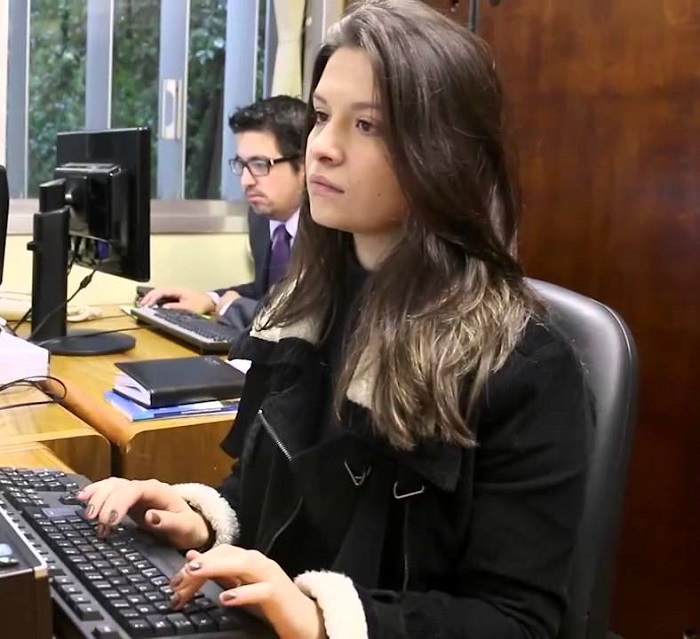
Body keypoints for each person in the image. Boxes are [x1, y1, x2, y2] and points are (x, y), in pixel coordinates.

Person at [79, 1, 594, 637]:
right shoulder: (302, 309)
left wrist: (325, 621)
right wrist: (201, 518)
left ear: (445, 153)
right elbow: (275, 495)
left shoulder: (524, 365)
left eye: (367, 125)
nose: (322, 147)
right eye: (322, 116)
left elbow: (517, 621)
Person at [140, 95, 306, 331]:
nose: (246, 181)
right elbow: (265, 292)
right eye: (242, 165)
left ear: (304, 165)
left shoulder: (331, 231)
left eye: (259, 165)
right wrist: (210, 299)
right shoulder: (260, 218)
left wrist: (231, 308)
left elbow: (303, 320)